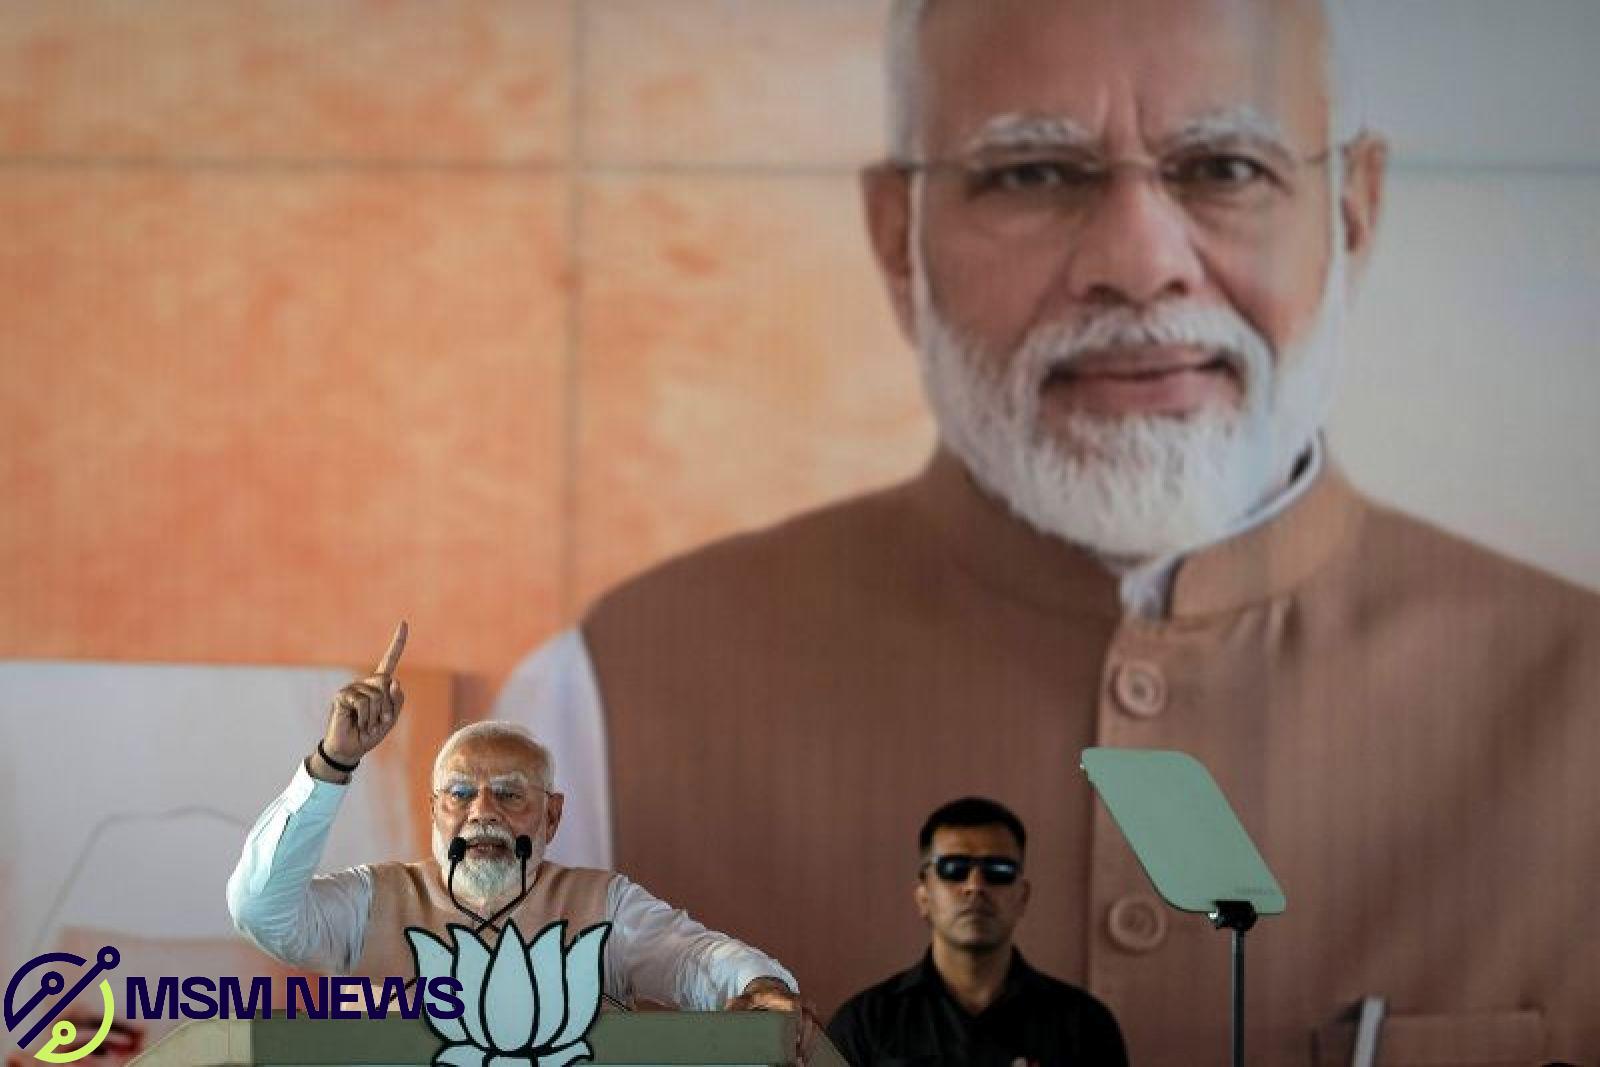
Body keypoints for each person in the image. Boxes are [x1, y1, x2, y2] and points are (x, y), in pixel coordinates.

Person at [493, 1, 1600, 1061]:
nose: (1135, 260)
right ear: (897, 235)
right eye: (1030, 173)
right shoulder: (601, 711)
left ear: (1352, 212)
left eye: (1224, 168)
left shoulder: (1578, 700)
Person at [226, 622, 805, 1019]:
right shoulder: (372, 900)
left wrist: (756, 984)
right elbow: (261, 910)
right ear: (434, 810)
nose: (483, 812)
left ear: (551, 816)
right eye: (460, 794)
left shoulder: (602, 904)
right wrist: (334, 763)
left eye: (509, 794)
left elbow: (693, 959)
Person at [828, 798, 1126, 1067]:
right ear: (923, 897)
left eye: (998, 870)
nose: (975, 886)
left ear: (1022, 896)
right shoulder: (865, 1023)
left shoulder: (1085, 1026)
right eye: (953, 868)